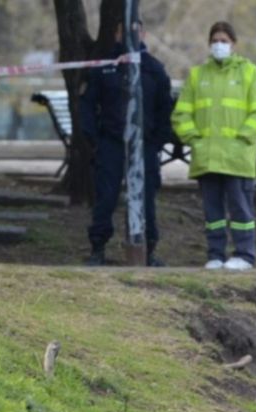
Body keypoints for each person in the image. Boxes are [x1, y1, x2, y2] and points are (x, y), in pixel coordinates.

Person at [171, 21, 256, 271]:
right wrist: (194, 139)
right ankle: (215, 254)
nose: (219, 45)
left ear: (233, 44)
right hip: (207, 157)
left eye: (224, 41)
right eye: (215, 40)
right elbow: (181, 115)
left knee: (241, 210)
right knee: (212, 213)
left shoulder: (249, 73)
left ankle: (245, 255)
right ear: (209, 44)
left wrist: (242, 139)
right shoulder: (197, 75)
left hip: (237, 158)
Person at [78, 19, 174, 267]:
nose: (130, 35)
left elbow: (166, 109)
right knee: (106, 198)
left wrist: (156, 141)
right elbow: (87, 105)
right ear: (116, 33)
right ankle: (98, 249)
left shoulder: (154, 69)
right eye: (124, 30)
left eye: (135, 30)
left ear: (143, 32)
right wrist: (94, 139)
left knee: (146, 200)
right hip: (111, 144)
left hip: (145, 146)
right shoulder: (105, 67)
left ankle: (148, 252)